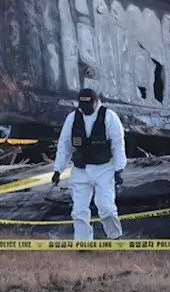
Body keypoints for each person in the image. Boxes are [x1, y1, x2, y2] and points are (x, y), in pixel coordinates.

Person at [52, 88, 126, 241]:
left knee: (106, 207)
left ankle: (115, 237)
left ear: (96, 102)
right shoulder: (72, 118)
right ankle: (83, 243)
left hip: (104, 168)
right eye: (82, 105)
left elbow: (118, 144)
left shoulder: (109, 117)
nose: (85, 109)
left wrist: (119, 169)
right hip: (80, 170)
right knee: (79, 210)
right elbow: (64, 145)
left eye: (88, 104)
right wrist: (58, 170)